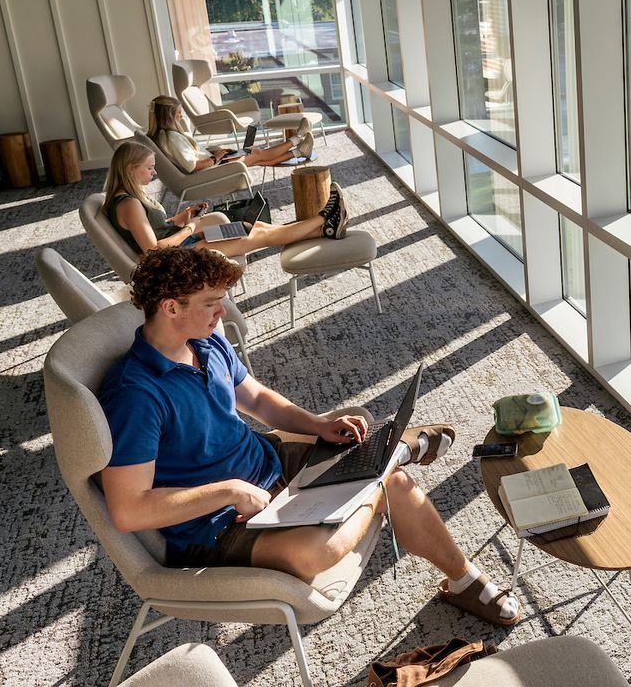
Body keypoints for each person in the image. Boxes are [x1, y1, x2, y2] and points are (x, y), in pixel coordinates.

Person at [97, 247, 521, 625]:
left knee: (376, 460)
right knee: (321, 550)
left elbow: (258, 400)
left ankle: (463, 579)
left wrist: (318, 424)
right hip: (215, 527)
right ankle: (390, 458)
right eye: (211, 303)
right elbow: (128, 510)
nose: (222, 313)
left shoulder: (206, 343)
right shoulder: (135, 395)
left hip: (269, 460)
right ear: (170, 307)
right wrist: (228, 492)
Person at [101, 141, 350, 258]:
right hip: (182, 256)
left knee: (258, 226)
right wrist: (191, 227)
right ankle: (325, 217)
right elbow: (153, 249)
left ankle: (326, 229)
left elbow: (151, 230)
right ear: (131, 168)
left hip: (185, 242)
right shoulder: (129, 204)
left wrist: (180, 218)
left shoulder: (127, 198)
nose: (155, 173)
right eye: (149, 168)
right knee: (258, 235)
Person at [148, 95, 312, 172]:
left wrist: (216, 152)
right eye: (178, 113)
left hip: (213, 163)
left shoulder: (167, 135)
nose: (181, 116)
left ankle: (298, 151)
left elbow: (192, 156)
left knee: (255, 157)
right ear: (168, 115)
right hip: (211, 169)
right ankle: (296, 139)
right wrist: (216, 157)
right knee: (256, 153)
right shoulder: (171, 138)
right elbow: (193, 166)